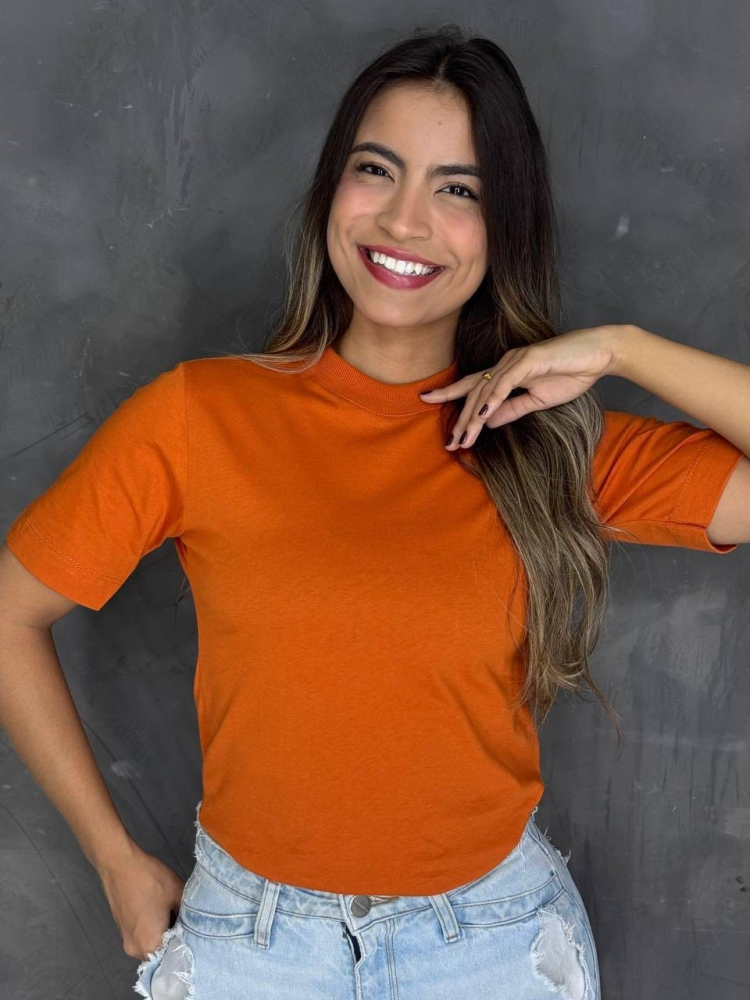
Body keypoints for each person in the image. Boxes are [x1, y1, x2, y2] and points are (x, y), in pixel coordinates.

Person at [0, 24, 746, 1000]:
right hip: (249, 945)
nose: (404, 220)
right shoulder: (199, 416)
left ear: (507, 225)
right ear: (331, 191)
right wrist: (111, 858)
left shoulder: (549, 443)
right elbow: (11, 614)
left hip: (491, 946)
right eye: (376, 170)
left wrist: (621, 349)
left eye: (459, 189)